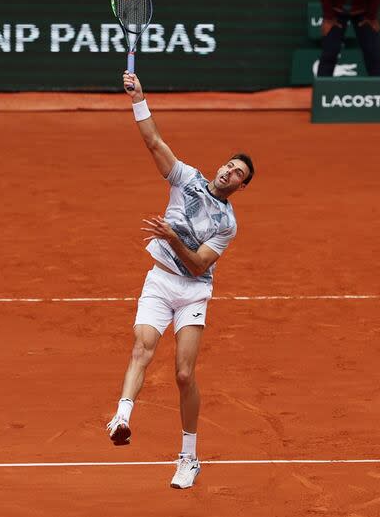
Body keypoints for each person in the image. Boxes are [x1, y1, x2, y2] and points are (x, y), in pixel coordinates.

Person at [106, 71, 254, 489]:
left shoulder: (227, 224)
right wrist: (140, 98)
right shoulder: (185, 177)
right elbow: (154, 141)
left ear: (241, 186)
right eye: (229, 164)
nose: (229, 172)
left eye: (238, 173)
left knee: (184, 374)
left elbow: (196, 265)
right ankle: (122, 416)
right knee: (141, 348)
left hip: (191, 290)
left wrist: (172, 236)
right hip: (159, 281)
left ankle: (189, 457)